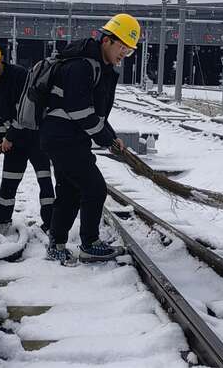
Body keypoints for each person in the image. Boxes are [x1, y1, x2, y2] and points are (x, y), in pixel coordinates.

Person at [40, 13, 139, 264]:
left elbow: (95, 113)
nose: (124, 54)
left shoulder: (98, 66)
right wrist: (105, 139)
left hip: (66, 137)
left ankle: (57, 244)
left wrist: (112, 137)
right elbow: (79, 110)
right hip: (63, 138)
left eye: (128, 51)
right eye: (122, 48)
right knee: (94, 188)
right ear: (107, 40)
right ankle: (90, 244)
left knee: (70, 191)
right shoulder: (82, 66)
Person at [0, 40, 55, 234]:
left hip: (37, 136)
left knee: (44, 179)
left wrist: (9, 136)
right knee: (9, 180)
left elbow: (26, 113)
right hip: (14, 140)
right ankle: (2, 220)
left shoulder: (20, 76)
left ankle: (51, 223)